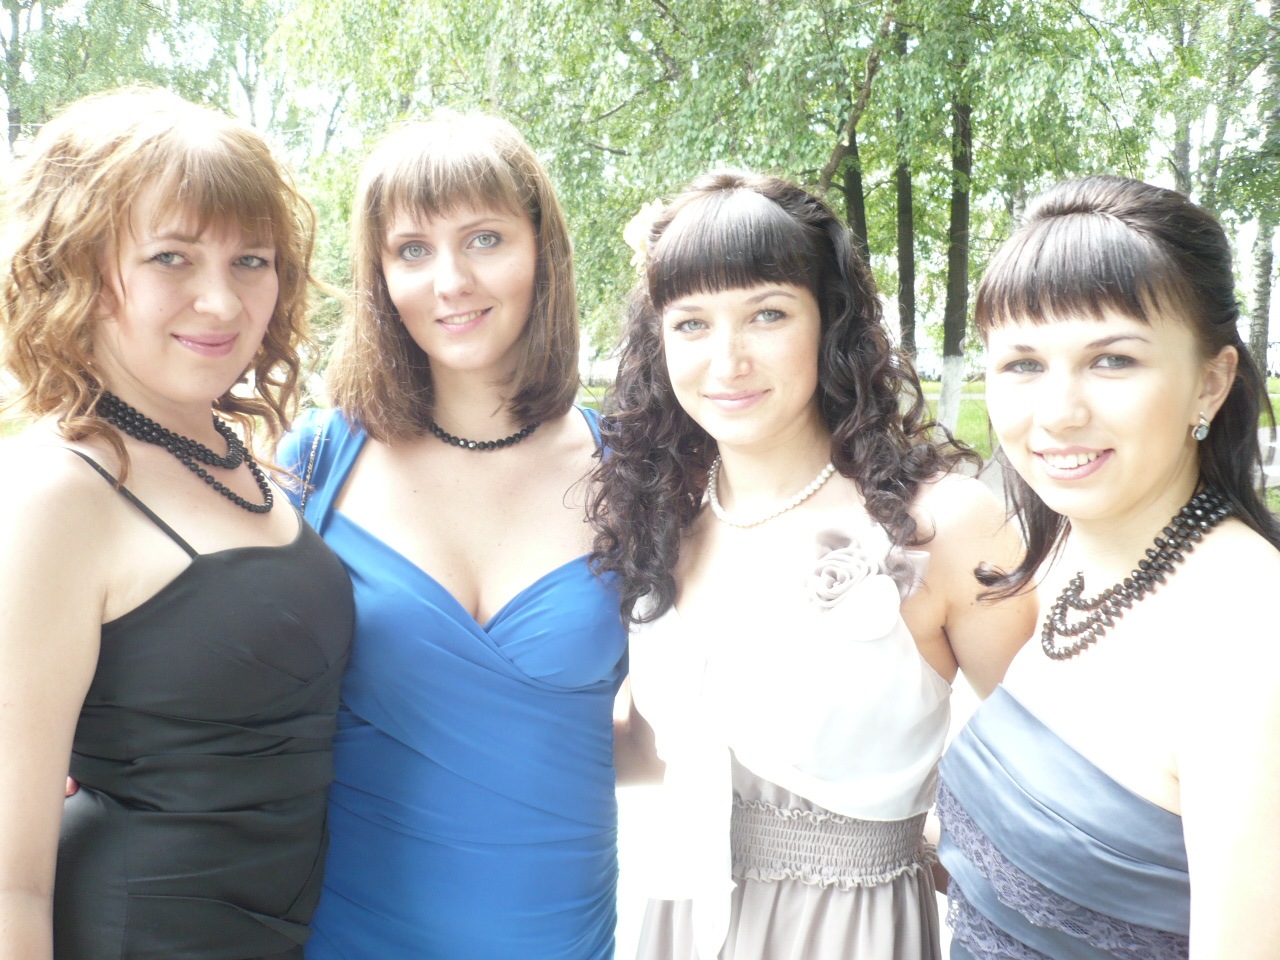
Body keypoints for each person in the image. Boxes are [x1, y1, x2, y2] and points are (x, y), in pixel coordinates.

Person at [590, 170, 1036, 960]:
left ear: (830, 321)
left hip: (848, 934)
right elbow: (651, 747)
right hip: (679, 923)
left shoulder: (940, 527)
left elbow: (1056, 774)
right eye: (691, 324)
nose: (727, 360)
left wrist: (941, 853)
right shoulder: (664, 525)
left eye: (767, 314)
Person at [0, 88, 354, 960]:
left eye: (251, 260)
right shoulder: (57, 491)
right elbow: (10, 879)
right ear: (76, 265)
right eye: (171, 258)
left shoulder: (234, 452)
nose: (222, 302)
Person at [277, 113, 628, 960]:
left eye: (484, 239)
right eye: (412, 250)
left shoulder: (631, 467)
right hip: (350, 932)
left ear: (542, 250)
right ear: (380, 275)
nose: (451, 281)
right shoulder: (316, 461)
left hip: (558, 935)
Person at [936, 175, 1280, 959]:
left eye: (1113, 360)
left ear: (1211, 381)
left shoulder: (1251, 634)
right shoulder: (1065, 559)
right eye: (1023, 364)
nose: (1059, 413)